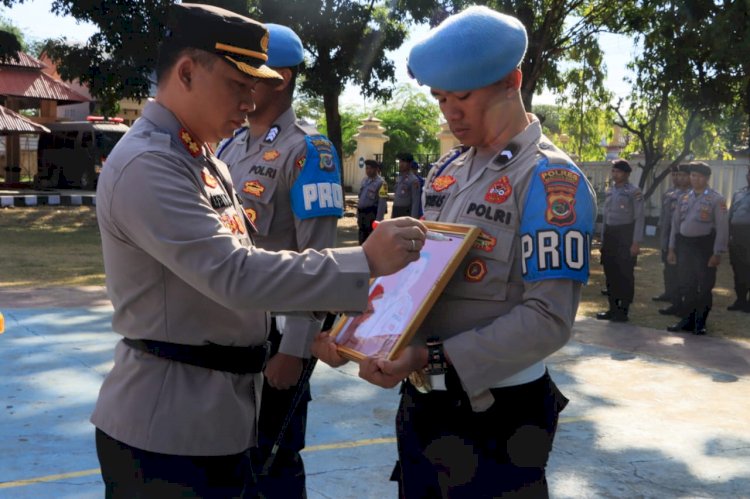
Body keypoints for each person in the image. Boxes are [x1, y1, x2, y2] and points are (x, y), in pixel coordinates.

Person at [91, 4, 426, 497]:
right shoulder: (149, 164)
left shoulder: (201, 158)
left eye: (255, 88)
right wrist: (365, 262)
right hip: (169, 430)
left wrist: (334, 327)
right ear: (186, 72)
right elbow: (234, 275)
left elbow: (257, 273)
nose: (250, 102)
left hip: (216, 417)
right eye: (237, 85)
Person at [314, 6, 596, 497]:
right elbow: (414, 278)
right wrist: (354, 334)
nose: (450, 113)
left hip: (498, 419)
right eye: (441, 98)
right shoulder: (448, 171)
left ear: (512, 80)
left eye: (464, 96)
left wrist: (433, 357)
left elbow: (548, 319)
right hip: (424, 409)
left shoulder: (550, 180)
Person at [215, 23, 336, 497]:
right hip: (231, 324)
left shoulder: (309, 151)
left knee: (274, 461)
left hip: (278, 335)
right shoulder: (229, 145)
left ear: (280, 79)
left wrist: (296, 349)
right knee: (234, 455)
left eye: (249, 75)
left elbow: (319, 258)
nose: (239, 84)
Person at [667, 162, 729, 335]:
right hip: (685, 245)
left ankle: (700, 322)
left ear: (707, 178)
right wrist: (672, 248)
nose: (695, 179)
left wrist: (717, 253)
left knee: (704, 285)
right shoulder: (684, 197)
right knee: (687, 284)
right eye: (693, 175)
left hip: (704, 247)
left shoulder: (716, 199)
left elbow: (722, 228)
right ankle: (687, 320)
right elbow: (675, 225)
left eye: (699, 176)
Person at [596, 158, 644, 322]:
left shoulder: (634, 192)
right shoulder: (610, 190)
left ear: (626, 174)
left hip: (626, 235)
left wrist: (636, 242)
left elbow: (639, 218)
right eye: (614, 171)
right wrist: (603, 239)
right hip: (611, 235)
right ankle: (612, 307)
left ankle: (623, 310)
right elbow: (606, 216)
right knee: (610, 273)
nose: (615, 174)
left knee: (625, 273)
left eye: (619, 171)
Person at [655, 163, 691, 315]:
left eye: (681, 175)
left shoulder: (691, 194)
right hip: (668, 232)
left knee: (682, 271)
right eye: (675, 175)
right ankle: (672, 297)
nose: (677, 178)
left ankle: (682, 302)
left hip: (683, 236)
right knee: (669, 268)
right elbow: (665, 217)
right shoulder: (670, 193)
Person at [727, 165, 750, 312]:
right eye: (749, 173)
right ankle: (740, 300)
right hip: (736, 236)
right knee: (738, 269)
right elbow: (730, 215)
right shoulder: (739, 193)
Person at [357, 159, 388, 243]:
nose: (368, 170)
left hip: (371, 215)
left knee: (371, 241)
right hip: (362, 214)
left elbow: (382, 204)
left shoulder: (382, 183)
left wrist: (378, 221)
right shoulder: (364, 180)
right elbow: (360, 198)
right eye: (366, 168)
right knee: (361, 239)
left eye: (370, 168)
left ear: (376, 169)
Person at [392, 151, 421, 218]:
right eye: (400, 162)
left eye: (404, 162)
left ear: (410, 164)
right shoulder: (399, 178)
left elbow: (415, 202)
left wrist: (413, 219)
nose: (401, 164)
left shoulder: (413, 180)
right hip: (396, 212)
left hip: (406, 213)